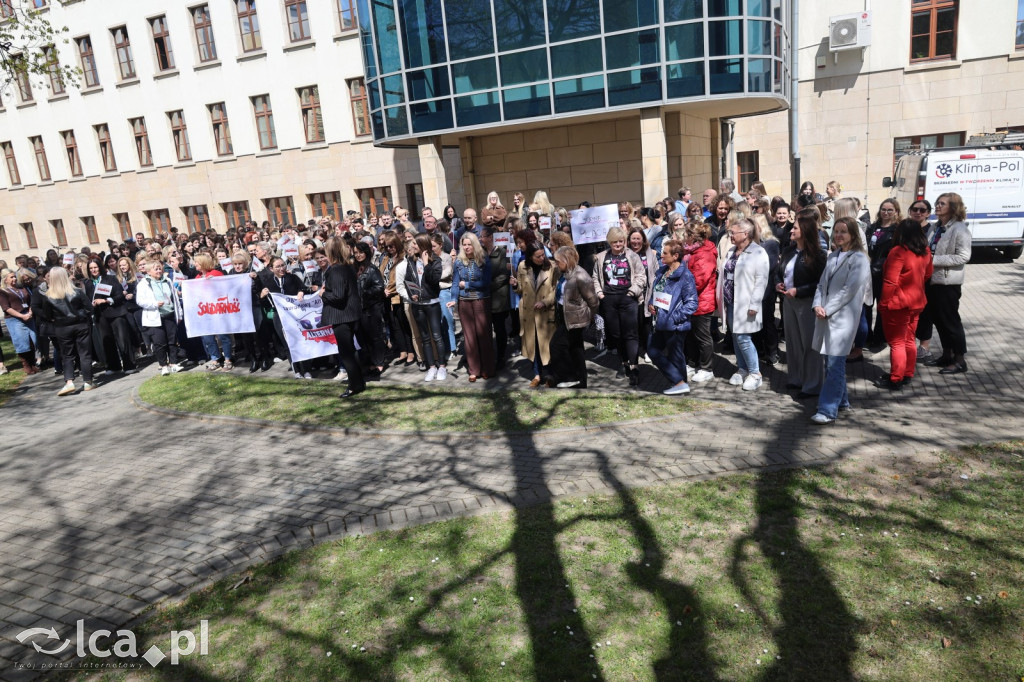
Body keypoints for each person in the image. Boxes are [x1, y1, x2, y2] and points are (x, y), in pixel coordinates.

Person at [810, 217, 871, 424]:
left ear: (853, 234)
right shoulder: (832, 256)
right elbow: (821, 285)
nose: (838, 235)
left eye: (843, 231)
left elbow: (849, 290)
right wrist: (817, 305)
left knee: (835, 362)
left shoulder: (859, 259)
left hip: (843, 318)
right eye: (836, 231)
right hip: (826, 314)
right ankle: (842, 401)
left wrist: (827, 309)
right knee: (830, 361)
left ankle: (827, 410)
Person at [776, 207, 827, 397]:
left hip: (808, 304)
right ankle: (796, 379)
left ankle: (812, 385)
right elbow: (778, 272)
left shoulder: (818, 255)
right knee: (793, 343)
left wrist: (799, 290)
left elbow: (821, 283)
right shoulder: (789, 250)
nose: (790, 230)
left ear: (805, 231)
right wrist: (778, 285)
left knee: (810, 345)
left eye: (795, 228)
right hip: (788, 302)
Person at [878, 219, 933, 390]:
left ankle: (896, 378)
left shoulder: (898, 251)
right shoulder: (925, 251)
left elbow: (889, 281)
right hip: (916, 301)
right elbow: (927, 274)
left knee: (897, 343)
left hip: (898, 304)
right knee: (909, 340)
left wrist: (884, 303)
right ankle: (907, 373)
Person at [716, 218, 769, 391]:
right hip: (731, 302)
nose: (730, 235)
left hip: (746, 303)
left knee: (743, 338)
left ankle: (755, 373)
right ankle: (743, 368)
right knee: (735, 335)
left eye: (733, 232)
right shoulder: (732, 250)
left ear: (745, 234)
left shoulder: (758, 252)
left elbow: (761, 280)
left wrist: (755, 304)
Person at [593, 227, 647, 386]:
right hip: (609, 299)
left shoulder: (632, 255)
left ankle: (634, 367)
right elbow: (595, 277)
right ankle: (624, 363)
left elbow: (641, 276)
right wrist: (600, 293)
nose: (618, 244)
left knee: (631, 334)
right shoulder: (602, 257)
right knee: (616, 335)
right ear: (610, 242)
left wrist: (633, 291)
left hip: (628, 298)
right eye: (615, 241)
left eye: (621, 241)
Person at [925, 192, 971, 374]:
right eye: (937, 203)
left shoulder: (959, 229)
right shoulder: (935, 227)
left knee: (951, 322)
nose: (937, 206)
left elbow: (963, 256)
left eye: (942, 204)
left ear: (953, 207)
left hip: (948, 283)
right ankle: (947, 354)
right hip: (933, 281)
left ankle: (960, 360)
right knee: (939, 320)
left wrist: (933, 260)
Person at [648, 239, 699, 395]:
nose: (661, 255)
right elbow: (657, 291)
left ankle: (679, 384)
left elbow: (692, 303)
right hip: (660, 322)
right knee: (653, 350)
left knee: (676, 356)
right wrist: (651, 303)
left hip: (674, 325)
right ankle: (680, 383)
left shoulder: (685, 276)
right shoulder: (663, 271)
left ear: (675, 255)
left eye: (665, 253)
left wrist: (674, 317)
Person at [36, 268, 95, 395]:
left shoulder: (48, 296)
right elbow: (90, 308)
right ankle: (88, 381)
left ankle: (69, 382)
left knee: (67, 355)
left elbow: (46, 315)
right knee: (84, 353)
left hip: (62, 328)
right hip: (80, 325)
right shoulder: (77, 292)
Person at [321, 236, 365, 398]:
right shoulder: (347, 267)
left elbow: (338, 296)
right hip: (349, 315)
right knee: (351, 352)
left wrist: (323, 293)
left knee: (346, 353)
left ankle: (354, 386)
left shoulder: (337, 269)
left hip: (342, 317)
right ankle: (358, 383)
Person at [551, 246, 599, 388]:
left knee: (556, 345)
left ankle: (568, 376)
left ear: (567, 260)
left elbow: (593, 301)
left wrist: (589, 318)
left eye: (558, 261)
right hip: (563, 314)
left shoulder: (581, 276)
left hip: (575, 318)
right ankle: (580, 380)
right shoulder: (564, 273)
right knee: (576, 349)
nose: (556, 264)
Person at [450, 232, 494, 381]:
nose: (467, 247)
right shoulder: (458, 262)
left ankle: (487, 369)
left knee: (484, 336)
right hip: (465, 303)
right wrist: (453, 299)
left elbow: (486, 283)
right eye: (464, 244)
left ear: (474, 244)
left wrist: (467, 284)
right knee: (469, 338)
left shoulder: (483, 260)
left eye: (469, 244)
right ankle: (474, 370)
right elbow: (456, 283)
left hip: (481, 301)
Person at [513, 242, 557, 387]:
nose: (541, 258)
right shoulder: (522, 267)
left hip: (545, 312)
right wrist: (514, 285)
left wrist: (546, 302)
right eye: (538, 256)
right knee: (533, 345)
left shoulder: (552, 266)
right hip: (529, 312)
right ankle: (537, 375)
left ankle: (549, 375)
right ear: (530, 257)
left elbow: (555, 290)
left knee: (547, 344)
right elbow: (520, 289)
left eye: (543, 254)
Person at [83, 259, 137, 374]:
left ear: (100, 267)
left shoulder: (110, 279)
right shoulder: (88, 283)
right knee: (107, 341)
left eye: (95, 267)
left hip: (116, 312)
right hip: (100, 315)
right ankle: (113, 366)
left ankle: (129, 365)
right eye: (91, 268)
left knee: (122, 339)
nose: (93, 270)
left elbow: (120, 295)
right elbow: (88, 298)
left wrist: (106, 300)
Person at [407, 234, 447, 382]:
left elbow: (433, 280)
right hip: (418, 305)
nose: (412, 247)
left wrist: (425, 264)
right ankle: (431, 367)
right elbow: (408, 280)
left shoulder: (436, 261)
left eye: (415, 244)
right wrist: (412, 294)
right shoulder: (411, 261)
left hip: (432, 303)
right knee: (425, 338)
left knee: (437, 336)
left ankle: (442, 366)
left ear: (422, 245)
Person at [137, 257, 184, 376]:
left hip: (169, 314)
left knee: (172, 341)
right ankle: (163, 365)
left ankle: (173, 364)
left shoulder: (167, 280)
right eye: (155, 269)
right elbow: (139, 301)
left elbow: (175, 299)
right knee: (159, 343)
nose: (158, 271)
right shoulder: (144, 283)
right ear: (148, 272)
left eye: (159, 268)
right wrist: (154, 304)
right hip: (155, 316)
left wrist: (179, 314)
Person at [867, 199, 901, 349]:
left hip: (885, 274)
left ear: (896, 212)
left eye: (889, 210)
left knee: (882, 306)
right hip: (868, 273)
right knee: (866, 305)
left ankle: (879, 337)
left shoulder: (897, 230)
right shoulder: (873, 227)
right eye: (883, 209)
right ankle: (867, 335)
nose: (886, 212)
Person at [906, 199, 936, 361]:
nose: (918, 212)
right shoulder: (906, 228)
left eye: (922, 210)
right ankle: (908, 344)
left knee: (925, 315)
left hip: (924, 280)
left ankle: (924, 347)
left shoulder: (931, 230)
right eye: (915, 209)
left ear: (928, 213)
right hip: (908, 281)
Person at [480, 227, 511, 366]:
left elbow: (504, 275)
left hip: (498, 297)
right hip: (485, 297)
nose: (480, 239)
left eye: (483, 237)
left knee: (499, 328)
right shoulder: (481, 253)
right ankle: (488, 356)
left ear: (490, 238)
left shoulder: (502, 252)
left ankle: (501, 356)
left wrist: (487, 286)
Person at [627, 226, 658, 362]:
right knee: (632, 325)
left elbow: (656, 273)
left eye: (638, 239)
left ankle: (646, 350)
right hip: (630, 295)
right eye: (633, 238)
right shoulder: (624, 253)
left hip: (646, 295)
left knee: (646, 325)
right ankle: (632, 350)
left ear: (643, 240)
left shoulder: (650, 253)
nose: (636, 242)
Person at [0, 268, 39, 374]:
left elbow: (30, 301)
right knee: (22, 342)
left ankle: (32, 364)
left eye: (14, 276)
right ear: (5, 280)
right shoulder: (3, 291)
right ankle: (26, 365)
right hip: (15, 319)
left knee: (32, 340)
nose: (14, 279)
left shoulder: (22, 288)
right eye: (11, 277)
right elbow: (6, 308)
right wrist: (22, 316)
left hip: (28, 316)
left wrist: (30, 312)